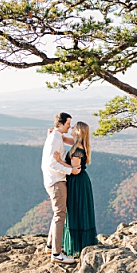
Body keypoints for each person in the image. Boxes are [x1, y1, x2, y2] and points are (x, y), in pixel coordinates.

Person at [42, 112, 79, 264]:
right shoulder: (55, 138)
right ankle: (57, 254)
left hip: (53, 180)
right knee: (60, 215)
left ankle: (51, 246)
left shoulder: (55, 136)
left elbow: (76, 140)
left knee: (58, 213)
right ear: (61, 123)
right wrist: (71, 170)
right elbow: (52, 163)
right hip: (56, 181)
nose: (69, 126)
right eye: (68, 124)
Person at [63, 121, 98, 257]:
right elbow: (64, 139)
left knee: (76, 210)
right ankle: (80, 244)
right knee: (79, 210)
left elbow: (75, 171)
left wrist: (58, 161)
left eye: (73, 127)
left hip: (77, 182)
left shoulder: (77, 150)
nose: (71, 128)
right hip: (80, 182)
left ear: (78, 131)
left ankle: (76, 246)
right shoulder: (77, 143)